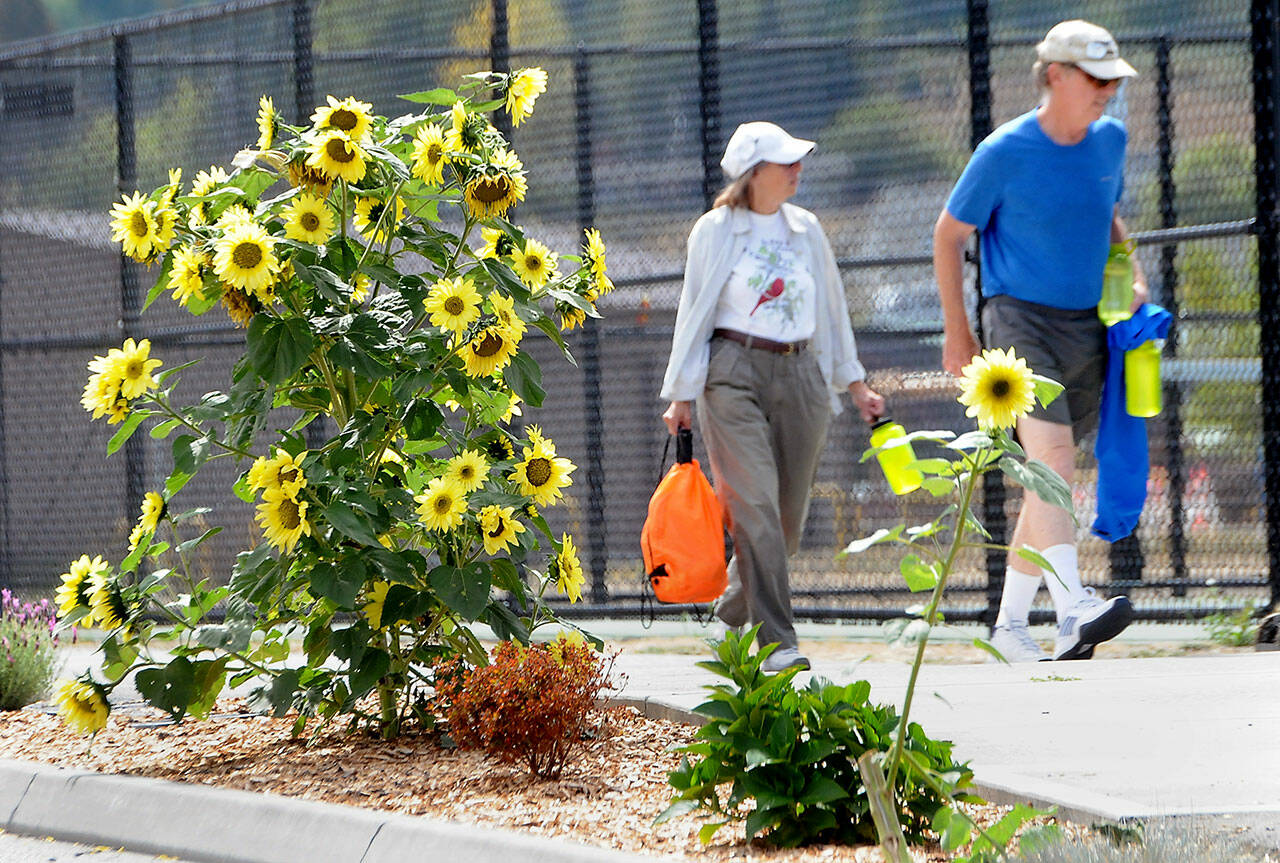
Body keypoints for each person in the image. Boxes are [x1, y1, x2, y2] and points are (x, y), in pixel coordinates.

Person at [933, 20, 1144, 662]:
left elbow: (1104, 212)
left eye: (1113, 79)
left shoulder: (1111, 142)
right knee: (1051, 462)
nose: (1107, 90)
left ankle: (1009, 629)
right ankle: (1073, 606)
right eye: (1095, 77)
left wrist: (1130, 273)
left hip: (1089, 328)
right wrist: (958, 332)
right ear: (1054, 74)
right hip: (1017, 320)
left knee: (1042, 479)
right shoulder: (1003, 151)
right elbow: (948, 235)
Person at [660, 121, 884, 673]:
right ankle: (779, 644)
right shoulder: (714, 230)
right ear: (753, 173)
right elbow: (694, 313)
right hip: (732, 372)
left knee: (785, 520)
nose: (797, 169)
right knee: (754, 506)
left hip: (802, 371)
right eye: (786, 162)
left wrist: (854, 383)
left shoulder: (806, 229)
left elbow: (831, 309)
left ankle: (732, 611)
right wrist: (682, 393)